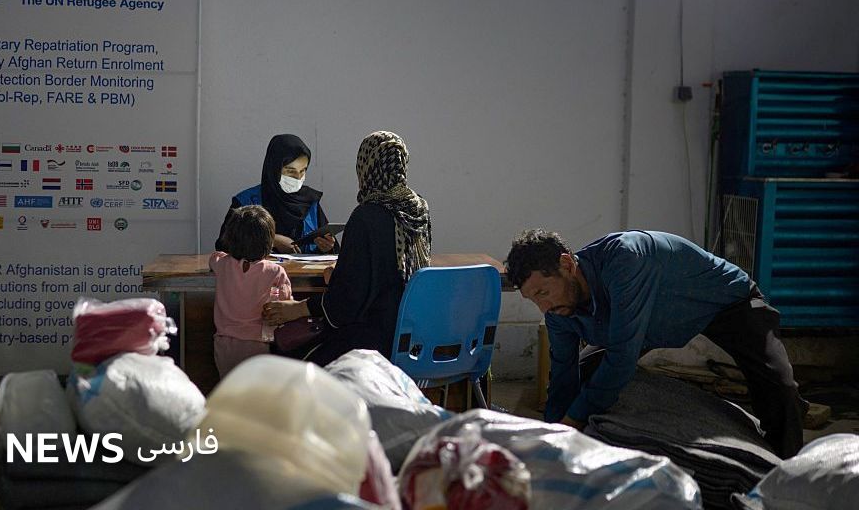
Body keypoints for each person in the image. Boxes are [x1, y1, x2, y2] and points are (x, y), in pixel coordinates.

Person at [505, 228, 806, 458]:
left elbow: (621, 359)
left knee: (780, 388)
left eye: (543, 292)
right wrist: (552, 436)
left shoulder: (625, 259)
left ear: (567, 265)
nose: (543, 308)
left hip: (725, 303)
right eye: (533, 300)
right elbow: (563, 376)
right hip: (648, 325)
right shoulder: (559, 310)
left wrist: (572, 421)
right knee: (587, 375)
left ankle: (785, 470)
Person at [262, 131, 432, 366]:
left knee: (285, 357)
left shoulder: (366, 216)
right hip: (413, 336)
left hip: (370, 344)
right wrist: (342, 277)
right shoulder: (419, 210)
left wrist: (297, 309)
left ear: (366, 166)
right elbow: (390, 276)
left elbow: (344, 305)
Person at [216, 134, 337, 254]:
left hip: (305, 268)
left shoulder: (310, 202)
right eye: (290, 171)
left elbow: (333, 250)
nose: (298, 177)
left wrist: (327, 247)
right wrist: (272, 240)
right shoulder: (246, 202)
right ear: (274, 169)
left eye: (302, 171)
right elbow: (223, 246)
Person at [210, 205, 292, 377]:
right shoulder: (275, 271)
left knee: (229, 388)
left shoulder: (223, 264)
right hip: (259, 344)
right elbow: (285, 305)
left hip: (223, 344)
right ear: (269, 241)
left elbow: (215, 256)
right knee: (256, 390)